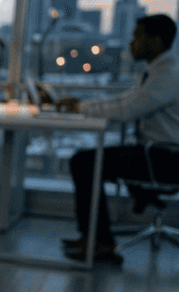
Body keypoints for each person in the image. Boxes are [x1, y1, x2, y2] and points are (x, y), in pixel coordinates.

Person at [57, 14, 179, 263]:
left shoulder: (168, 76)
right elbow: (123, 101)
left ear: (155, 41)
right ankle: (94, 237)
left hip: (166, 159)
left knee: (84, 163)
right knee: (84, 160)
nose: (131, 44)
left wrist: (79, 108)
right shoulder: (156, 72)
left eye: (137, 37)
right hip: (156, 152)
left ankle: (100, 241)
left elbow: (127, 111)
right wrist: (81, 105)